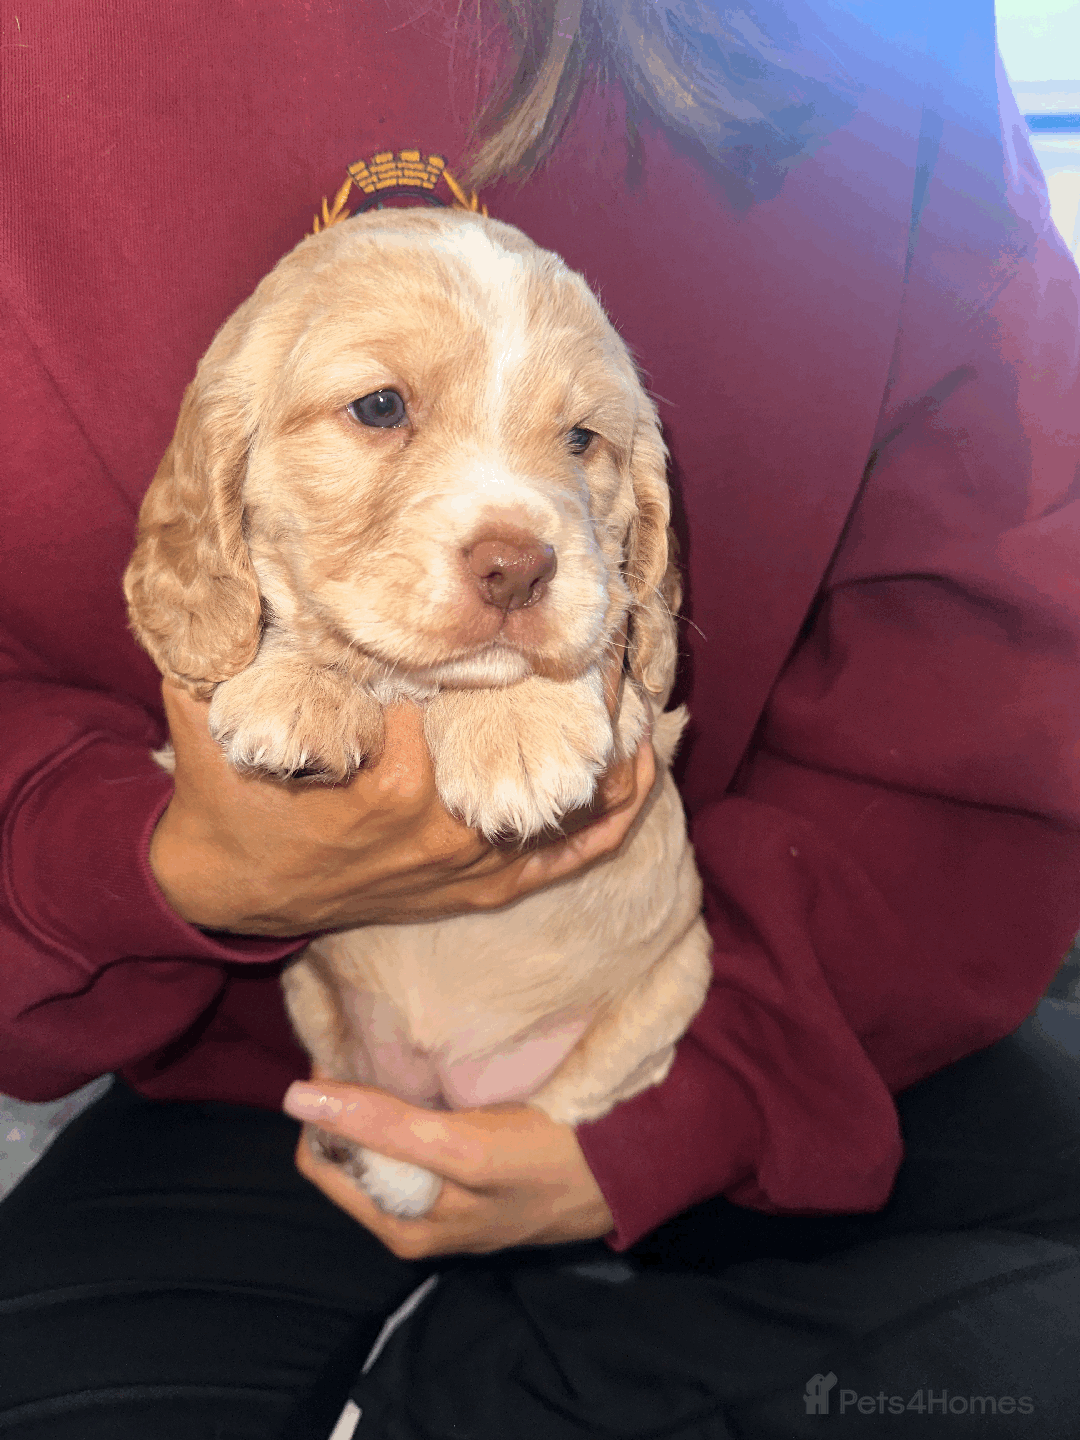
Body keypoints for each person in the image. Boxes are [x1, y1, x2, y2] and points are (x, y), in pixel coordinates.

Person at [2, 0, 1079, 1436]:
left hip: (793, 998)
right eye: (381, 406)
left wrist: (711, 1088)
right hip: (266, 1066)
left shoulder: (874, 44)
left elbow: (992, 627)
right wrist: (161, 865)